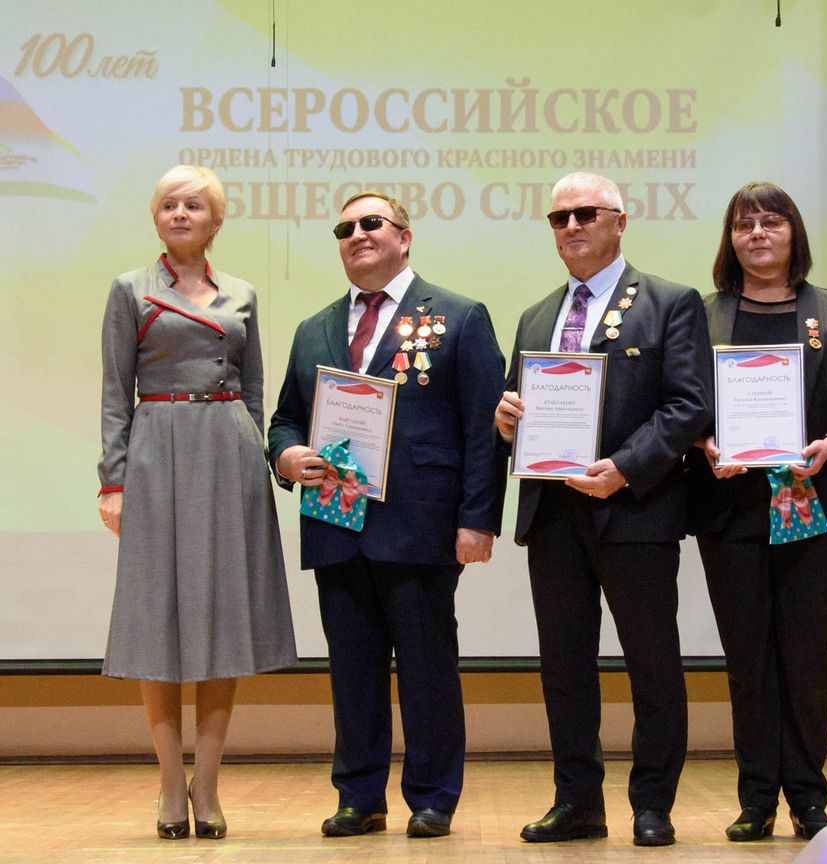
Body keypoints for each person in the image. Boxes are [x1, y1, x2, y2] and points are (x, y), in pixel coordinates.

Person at [268, 191, 506, 839]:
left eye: (371, 223)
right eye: (344, 228)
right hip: (336, 520)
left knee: (427, 669)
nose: (356, 234)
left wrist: (478, 518)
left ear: (404, 236)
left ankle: (432, 796)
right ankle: (359, 796)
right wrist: (286, 453)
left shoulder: (458, 316)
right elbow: (286, 416)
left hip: (421, 524)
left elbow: (484, 428)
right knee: (352, 671)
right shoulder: (314, 329)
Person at [495, 172, 713, 847]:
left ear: (620, 221)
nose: (571, 226)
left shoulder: (671, 302)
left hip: (636, 508)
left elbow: (689, 406)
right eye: (559, 218)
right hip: (554, 513)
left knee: (652, 663)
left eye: (585, 214)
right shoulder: (536, 316)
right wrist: (505, 419)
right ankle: (578, 803)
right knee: (564, 667)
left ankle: (653, 804)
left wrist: (624, 469)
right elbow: (517, 405)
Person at [97, 165, 297, 841]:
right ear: (156, 217)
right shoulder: (129, 289)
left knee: (221, 621)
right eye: (169, 205)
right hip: (157, 451)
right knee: (158, 620)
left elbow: (253, 389)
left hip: (228, 453)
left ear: (216, 220)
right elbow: (114, 394)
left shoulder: (242, 293)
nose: (180, 213)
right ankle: (167, 783)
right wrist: (113, 481)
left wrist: (254, 464)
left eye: (194, 205)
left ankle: (206, 784)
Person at [687, 182, 827, 842]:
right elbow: (680, 402)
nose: (758, 234)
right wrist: (705, 442)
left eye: (771, 221)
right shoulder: (704, 316)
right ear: (730, 239)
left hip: (814, 509)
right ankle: (756, 800)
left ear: (793, 232)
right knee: (748, 659)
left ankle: (807, 796)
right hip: (732, 510)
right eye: (744, 224)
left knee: (806, 658)